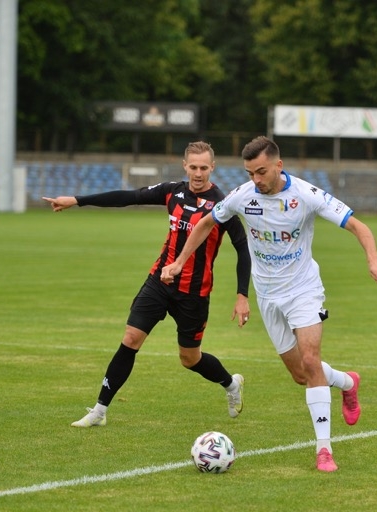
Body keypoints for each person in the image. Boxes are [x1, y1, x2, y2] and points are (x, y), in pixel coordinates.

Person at [161, 136, 377, 472]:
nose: (256, 179)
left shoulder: (306, 195)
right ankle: (347, 382)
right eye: (250, 173)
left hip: (303, 290)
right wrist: (180, 262)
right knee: (301, 374)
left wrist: (374, 259)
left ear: (279, 166)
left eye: (262, 172)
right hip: (267, 295)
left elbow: (358, 225)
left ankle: (323, 449)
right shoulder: (243, 196)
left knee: (311, 360)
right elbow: (207, 223)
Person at [43, 141, 251, 427]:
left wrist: (242, 294)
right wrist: (79, 199)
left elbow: (243, 248)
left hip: (193, 293)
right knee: (130, 339)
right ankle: (99, 411)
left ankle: (230, 384)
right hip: (160, 281)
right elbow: (128, 196)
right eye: (193, 167)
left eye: (204, 167)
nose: (198, 173)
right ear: (185, 166)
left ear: (212, 167)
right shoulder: (173, 191)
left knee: (190, 358)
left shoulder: (223, 205)